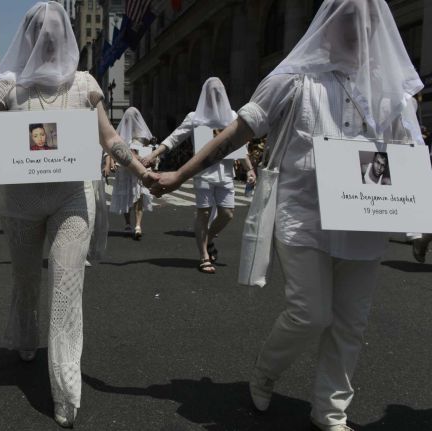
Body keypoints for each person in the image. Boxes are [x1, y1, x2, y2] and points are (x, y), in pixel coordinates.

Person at [150, 1, 423, 429]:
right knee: (310, 313)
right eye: (347, 22)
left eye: (366, 24)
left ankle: (331, 412)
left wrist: (420, 220)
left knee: (351, 322)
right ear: (328, 26)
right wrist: (179, 175)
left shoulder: (391, 94)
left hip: (365, 219)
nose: (357, 32)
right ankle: (266, 370)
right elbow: (236, 133)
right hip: (304, 217)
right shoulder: (292, 81)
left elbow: (411, 156)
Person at [0, 3, 155, 427]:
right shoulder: (8, 88)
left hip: (72, 201)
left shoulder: (85, 85)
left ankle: (65, 390)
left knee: (66, 290)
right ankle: (27, 336)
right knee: (26, 279)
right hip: (22, 205)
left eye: (55, 34)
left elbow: (110, 137)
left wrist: (141, 170)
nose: (49, 41)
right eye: (41, 35)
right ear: (28, 40)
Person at [143, 78, 256, 273]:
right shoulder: (195, 117)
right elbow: (175, 138)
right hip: (202, 173)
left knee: (227, 214)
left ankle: (208, 238)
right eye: (211, 92)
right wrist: (153, 154)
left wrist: (250, 169)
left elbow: (240, 146)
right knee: (204, 213)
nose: (214, 95)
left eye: (218, 91)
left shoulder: (231, 116)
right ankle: (204, 255)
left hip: (226, 173)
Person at [108, 107, 153, 239]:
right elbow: (112, 149)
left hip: (138, 170)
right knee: (126, 194)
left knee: (138, 195)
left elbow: (148, 150)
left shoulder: (144, 135)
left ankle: (138, 224)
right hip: (124, 170)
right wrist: (111, 163)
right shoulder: (120, 135)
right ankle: (128, 223)